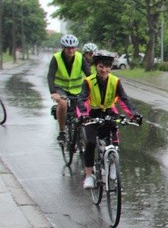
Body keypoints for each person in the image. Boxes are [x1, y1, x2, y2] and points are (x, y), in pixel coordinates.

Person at [76, 51, 142, 189]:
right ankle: (89, 175)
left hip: (109, 112)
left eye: (107, 67)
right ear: (95, 67)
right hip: (92, 113)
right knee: (90, 142)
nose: (104, 70)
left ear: (111, 67)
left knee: (114, 139)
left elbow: (124, 99)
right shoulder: (88, 82)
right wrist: (83, 115)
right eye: (101, 66)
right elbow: (81, 99)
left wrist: (134, 114)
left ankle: (113, 164)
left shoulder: (115, 81)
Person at [48, 35, 92, 144]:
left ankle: (79, 130)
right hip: (60, 88)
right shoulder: (56, 58)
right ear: (63, 48)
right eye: (68, 48)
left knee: (82, 108)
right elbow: (50, 76)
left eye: (73, 48)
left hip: (77, 89)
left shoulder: (80, 58)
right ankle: (62, 132)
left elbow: (89, 75)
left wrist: (94, 89)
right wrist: (53, 92)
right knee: (62, 104)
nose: (71, 50)